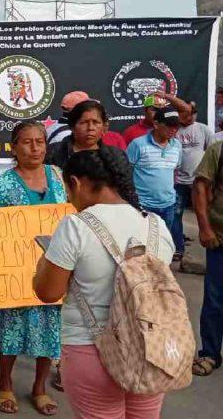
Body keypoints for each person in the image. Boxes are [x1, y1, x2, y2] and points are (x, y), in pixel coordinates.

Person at [33, 148, 174, 419]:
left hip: (91, 351)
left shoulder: (75, 226)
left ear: (75, 183)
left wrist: (44, 261)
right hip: (153, 350)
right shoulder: (156, 225)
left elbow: (48, 292)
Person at [0, 121, 65, 415]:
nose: (35, 148)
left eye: (40, 142)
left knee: (50, 330)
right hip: (14, 272)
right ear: (14, 148)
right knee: (12, 329)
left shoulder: (58, 178)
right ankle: (5, 384)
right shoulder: (4, 183)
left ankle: (39, 387)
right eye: (27, 142)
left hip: (53, 269)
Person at [191, 139, 223, 376]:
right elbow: (201, 186)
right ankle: (210, 353)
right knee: (215, 300)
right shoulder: (218, 149)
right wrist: (204, 228)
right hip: (220, 238)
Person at [127, 106, 182, 233]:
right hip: (143, 205)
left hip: (168, 205)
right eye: (169, 125)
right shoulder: (138, 144)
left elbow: (174, 171)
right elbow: (126, 172)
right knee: (142, 243)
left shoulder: (177, 146)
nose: (173, 130)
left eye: (176, 126)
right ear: (156, 124)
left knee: (162, 243)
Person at [171, 102, 214, 261]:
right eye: (186, 112)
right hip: (178, 180)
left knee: (207, 212)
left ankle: (213, 243)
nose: (190, 115)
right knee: (176, 215)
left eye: (193, 112)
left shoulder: (203, 129)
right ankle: (178, 248)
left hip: (200, 181)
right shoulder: (173, 130)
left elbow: (213, 152)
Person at [46, 100, 112, 169]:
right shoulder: (52, 153)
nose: (90, 128)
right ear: (72, 126)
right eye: (84, 122)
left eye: (96, 122)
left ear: (104, 127)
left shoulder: (115, 155)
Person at [123, 92, 190, 146]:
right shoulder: (131, 132)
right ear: (145, 110)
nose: (159, 113)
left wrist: (165, 96)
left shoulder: (169, 127)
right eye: (155, 109)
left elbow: (186, 109)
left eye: (162, 110)